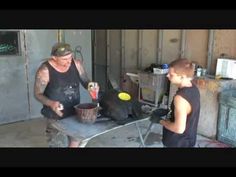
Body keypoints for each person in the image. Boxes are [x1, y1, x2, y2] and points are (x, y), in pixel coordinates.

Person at [34, 42, 99, 148]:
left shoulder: (77, 64)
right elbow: (37, 94)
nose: (69, 61)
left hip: (74, 111)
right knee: (58, 144)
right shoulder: (45, 70)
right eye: (64, 59)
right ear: (54, 58)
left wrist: (91, 86)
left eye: (70, 57)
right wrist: (51, 103)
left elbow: (85, 81)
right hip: (55, 115)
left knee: (75, 139)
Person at [159, 58, 200, 147]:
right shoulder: (193, 88)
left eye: (171, 74)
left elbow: (179, 129)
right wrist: (171, 111)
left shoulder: (180, 98)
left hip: (177, 142)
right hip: (188, 140)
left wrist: (161, 121)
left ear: (182, 76)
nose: (167, 76)